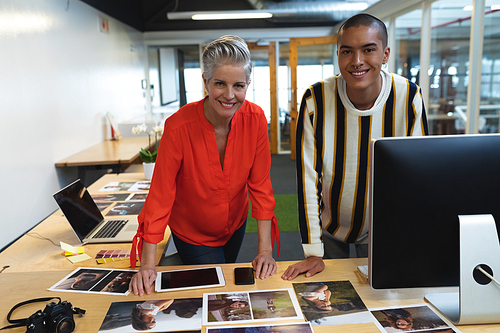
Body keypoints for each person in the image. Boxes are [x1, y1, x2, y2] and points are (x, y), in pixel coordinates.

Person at [129, 35, 280, 296]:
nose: (230, 95)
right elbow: (160, 195)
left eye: (239, 85)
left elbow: (260, 187)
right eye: (220, 84)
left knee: (228, 283)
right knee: (218, 293)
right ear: (205, 82)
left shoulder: (255, 119)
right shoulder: (178, 127)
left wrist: (265, 251)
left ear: (248, 84)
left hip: (235, 223)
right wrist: (147, 265)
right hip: (192, 231)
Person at [282, 13, 428, 280]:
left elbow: (415, 181)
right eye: (347, 51)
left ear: (385, 54)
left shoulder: (409, 98)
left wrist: (408, 242)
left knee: (377, 298)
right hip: (330, 226)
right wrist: (313, 250)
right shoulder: (316, 99)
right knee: (330, 303)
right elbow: (307, 178)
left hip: (383, 229)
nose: (357, 61)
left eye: (368, 50)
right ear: (338, 55)